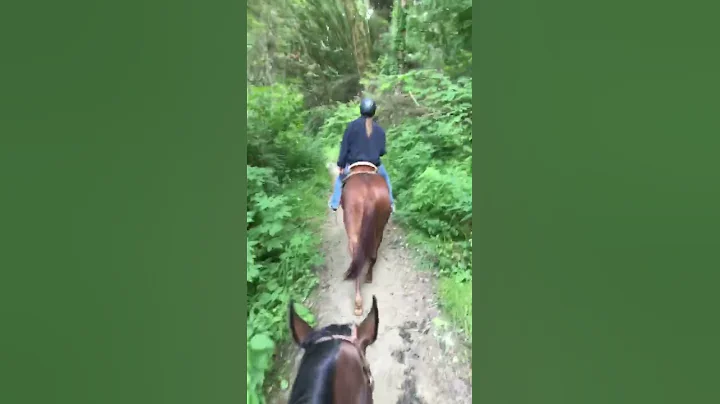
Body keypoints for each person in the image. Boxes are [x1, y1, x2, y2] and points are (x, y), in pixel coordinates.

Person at [328, 98, 395, 213]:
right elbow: (382, 151)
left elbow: (344, 148)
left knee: (340, 180)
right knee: (386, 179)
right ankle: (391, 203)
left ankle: (334, 203)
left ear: (361, 110)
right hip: (374, 166)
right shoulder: (379, 130)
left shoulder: (351, 126)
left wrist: (341, 165)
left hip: (353, 165)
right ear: (374, 111)